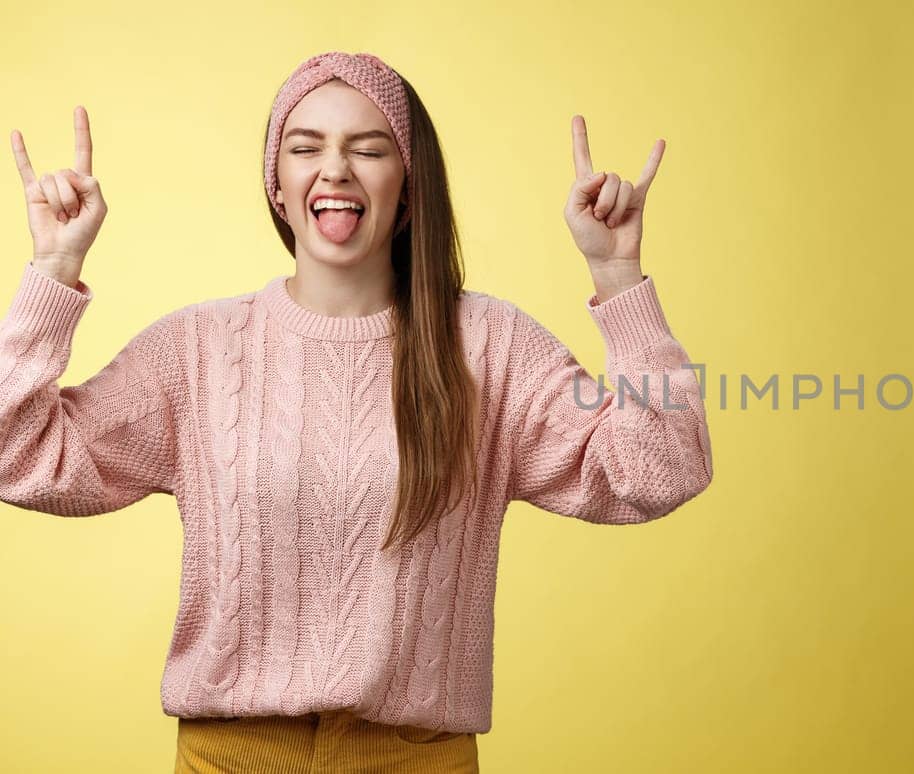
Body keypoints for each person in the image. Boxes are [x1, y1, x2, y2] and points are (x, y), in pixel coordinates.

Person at [1, 51, 713, 773]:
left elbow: (659, 471)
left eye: (368, 149)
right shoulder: (196, 350)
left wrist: (619, 279)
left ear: (408, 187)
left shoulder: (489, 346)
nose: (334, 169)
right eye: (305, 147)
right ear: (278, 186)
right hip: (229, 759)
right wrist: (53, 273)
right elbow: (15, 455)